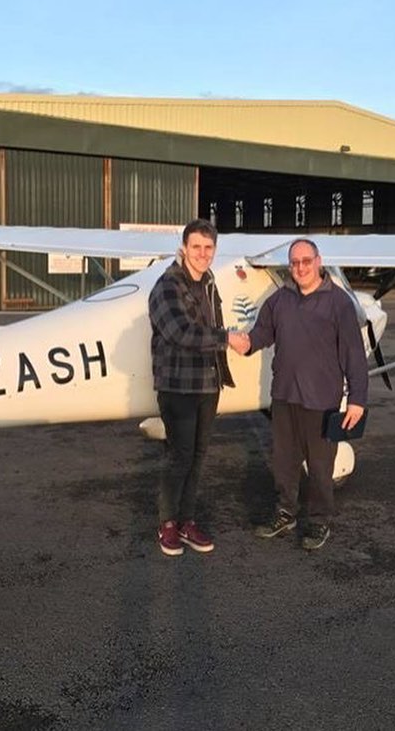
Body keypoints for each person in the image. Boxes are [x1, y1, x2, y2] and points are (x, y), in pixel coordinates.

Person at [245, 238, 368, 550]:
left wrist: (357, 399)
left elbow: (354, 354)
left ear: (318, 261)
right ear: (290, 266)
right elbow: (261, 334)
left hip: (322, 400)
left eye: (306, 261)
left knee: (320, 467)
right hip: (285, 396)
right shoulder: (280, 299)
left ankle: (319, 521)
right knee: (284, 462)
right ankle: (285, 513)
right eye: (295, 262)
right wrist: (242, 342)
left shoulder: (339, 303)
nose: (300, 268)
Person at [148, 218, 246, 557]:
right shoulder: (166, 286)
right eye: (196, 247)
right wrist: (227, 339)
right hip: (178, 387)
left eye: (208, 248)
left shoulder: (208, 281)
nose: (202, 254)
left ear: (214, 250)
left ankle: (187, 519)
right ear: (184, 248)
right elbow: (180, 333)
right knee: (179, 457)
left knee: (199, 456)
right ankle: (167, 524)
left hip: (207, 385)